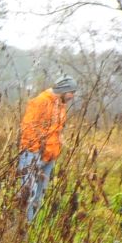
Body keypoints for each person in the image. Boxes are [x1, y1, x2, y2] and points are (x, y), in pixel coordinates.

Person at [18, 76, 77, 225]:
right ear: (63, 90)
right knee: (28, 195)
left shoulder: (60, 104)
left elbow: (57, 129)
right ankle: (20, 230)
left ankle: (31, 229)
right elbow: (28, 127)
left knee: (39, 196)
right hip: (33, 155)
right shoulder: (40, 101)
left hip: (50, 156)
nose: (73, 96)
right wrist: (36, 151)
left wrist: (58, 144)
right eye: (72, 92)